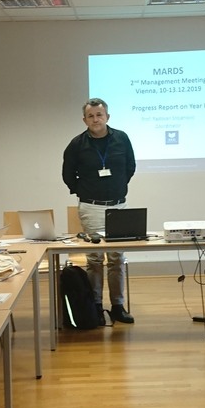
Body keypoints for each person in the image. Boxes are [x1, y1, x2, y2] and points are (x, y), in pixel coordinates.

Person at [61, 98, 137, 324]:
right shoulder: (77, 144)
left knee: (116, 258)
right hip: (91, 206)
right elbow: (67, 174)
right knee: (94, 259)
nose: (95, 119)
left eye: (99, 115)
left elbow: (130, 167)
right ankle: (95, 306)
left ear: (107, 117)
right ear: (84, 120)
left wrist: (117, 186)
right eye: (91, 116)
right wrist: (83, 190)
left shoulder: (121, 138)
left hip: (118, 205)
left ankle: (117, 306)